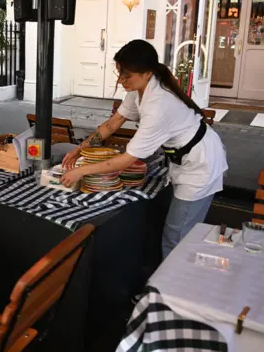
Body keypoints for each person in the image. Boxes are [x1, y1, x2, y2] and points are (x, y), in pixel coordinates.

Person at [61, 40, 228, 259]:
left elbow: (126, 160)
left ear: (147, 73)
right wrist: (79, 150)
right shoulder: (139, 89)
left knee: (176, 237)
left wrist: (81, 171)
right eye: (119, 73)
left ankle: (170, 289)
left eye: (126, 75)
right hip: (184, 159)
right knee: (174, 231)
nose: (121, 81)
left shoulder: (157, 106)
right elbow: (113, 123)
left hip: (201, 165)